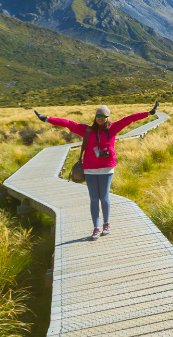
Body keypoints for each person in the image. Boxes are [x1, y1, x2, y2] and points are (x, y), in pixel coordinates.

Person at [34, 102, 159, 240]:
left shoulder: (113, 128)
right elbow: (68, 123)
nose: (100, 117)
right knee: (94, 198)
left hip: (106, 169)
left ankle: (106, 224)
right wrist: (47, 119)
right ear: (95, 116)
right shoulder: (86, 130)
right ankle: (96, 227)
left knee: (104, 197)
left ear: (108, 117)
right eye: (98, 115)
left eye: (103, 116)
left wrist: (149, 113)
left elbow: (129, 119)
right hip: (90, 169)